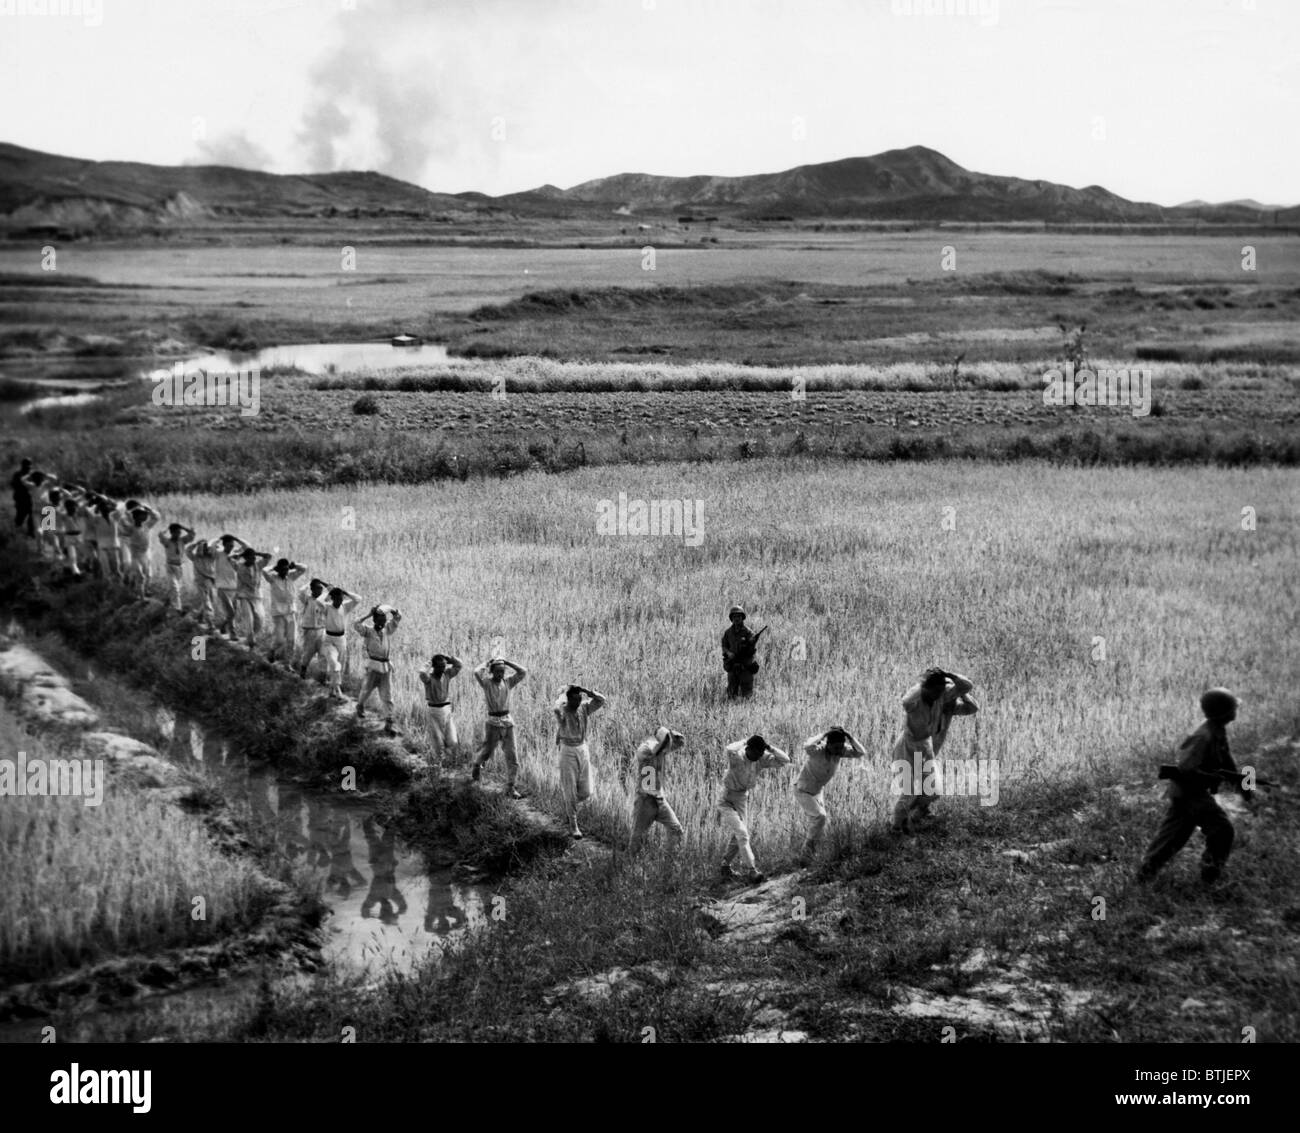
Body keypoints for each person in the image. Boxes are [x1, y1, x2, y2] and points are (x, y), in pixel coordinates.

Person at [1137, 688, 1250, 886]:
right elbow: (1186, 769)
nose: (1235, 711)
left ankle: (1143, 877)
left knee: (1172, 838)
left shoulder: (1217, 730)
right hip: (1190, 793)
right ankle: (1209, 877)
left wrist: (1240, 784)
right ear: (1223, 712)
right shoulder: (1203, 736)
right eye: (1233, 708)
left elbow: (1226, 761)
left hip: (1191, 794)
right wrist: (1211, 777)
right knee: (1222, 830)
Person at [890, 668, 979, 835]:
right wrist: (925, 683)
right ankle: (896, 827)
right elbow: (905, 701)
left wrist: (949, 675)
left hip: (926, 747)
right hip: (908, 747)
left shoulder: (942, 701)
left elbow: (967, 688)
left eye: (941, 691)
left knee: (934, 790)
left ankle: (910, 815)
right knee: (908, 790)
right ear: (926, 688)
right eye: (935, 690)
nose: (939, 694)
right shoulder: (916, 701)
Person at [718, 733, 790, 883]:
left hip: (742, 798)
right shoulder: (737, 757)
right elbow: (729, 748)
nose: (759, 756)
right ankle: (752, 870)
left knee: (740, 833)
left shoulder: (761, 759)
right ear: (748, 748)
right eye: (756, 752)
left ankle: (725, 866)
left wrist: (769, 748)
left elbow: (785, 760)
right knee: (742, 833)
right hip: (726, 798)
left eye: (761, 753)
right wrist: (745, 740)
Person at [794, 726, 869, 866]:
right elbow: (807, 746)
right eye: (836, 748)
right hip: (802, 790)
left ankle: (809, 855)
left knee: (819, 823)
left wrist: (850, 736)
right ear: (828, 744)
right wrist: (824, 734)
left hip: (817, 791)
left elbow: (861, 752)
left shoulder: (840, 751)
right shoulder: (817, 750)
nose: (839, 751)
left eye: (841, 747)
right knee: (820, 817)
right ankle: (805, 856)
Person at [552, 683, 607, 838]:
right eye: (574, 700)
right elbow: (556, 708)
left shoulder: (583, 708)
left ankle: (569, 809)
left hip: (582, 749)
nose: (577, 703)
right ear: (568, 700)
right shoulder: (562, 710)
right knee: (570, 788)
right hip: (567, 750)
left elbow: (601, 700)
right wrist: (564, 692)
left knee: (586, 791)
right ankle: (573, 825)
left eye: (579, 699)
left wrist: (586, 691)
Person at [470, 657, 528, 798]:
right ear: (492, 672)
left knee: (512, 757)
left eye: (502, 671)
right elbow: (476, 671)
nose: (500, 673)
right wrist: (488, 662)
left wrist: (506, 661)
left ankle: (510, 787)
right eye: (497, 671)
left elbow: (523, 671)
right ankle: (477, 765)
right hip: (493, 723)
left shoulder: (508, 682)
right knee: (487, 752)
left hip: (508, 722)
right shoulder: (486, 683)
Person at [628, 726, 687, 855]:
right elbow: (648, 751)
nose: (666, 746)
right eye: (665, 742)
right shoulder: (645, 749)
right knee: (638, 837)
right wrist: (664, 741)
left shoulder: (661, 750)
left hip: (660, 801)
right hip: (645, 801)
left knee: (676, 829)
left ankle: (668, 862)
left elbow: (681, 741)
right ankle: (628, 863)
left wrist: (672, 734)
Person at [354, 604, 403, 736]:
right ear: (374, 620)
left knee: (387, 695)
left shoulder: (387, 630)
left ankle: (389, 722)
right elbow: (356, 624)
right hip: (373, 666)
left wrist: (391, 609)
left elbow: (398, 617)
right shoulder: (368, 631)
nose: (382, 622)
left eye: (384, 619)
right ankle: (360, 705)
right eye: (379, 619)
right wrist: (369, 614)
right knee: (366, 690)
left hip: (385, 667)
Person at [417, 652, 464, 764]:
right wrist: (430, 661)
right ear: (434, 667)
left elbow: (459, 665)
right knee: (438, 742)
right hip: (433, 711)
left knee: (453, 741)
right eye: (439, 666)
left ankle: (450, 763)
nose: (442, 669)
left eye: (444, 666)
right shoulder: (429, 679)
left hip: (447, 710)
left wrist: (449, 658)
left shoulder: (447, 675)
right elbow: (422, 672)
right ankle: (440, 766)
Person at [317, 585, 361, 700]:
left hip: (341, 639)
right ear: (332, 598)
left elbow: (358, 599)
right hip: (329, 639)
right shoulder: (327, 608)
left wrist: (345, 591)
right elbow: (318, 601)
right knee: (334, 663)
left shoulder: (345, 606)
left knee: (338, 666)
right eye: (337, 599)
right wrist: (328, 592)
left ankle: (332, 689)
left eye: (341, 598)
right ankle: (338, 689)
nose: (339, 601)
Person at [263, 557, 307, 666]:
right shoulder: (272, 578)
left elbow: (304, 568)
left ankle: (288, 664)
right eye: (282, 569)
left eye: (286, 569)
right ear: (278, 569)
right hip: (278, 613)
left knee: (292, 640)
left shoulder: (291, 577)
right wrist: (274, 567)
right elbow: (264, 571)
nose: (285, 571)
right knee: (280, 640)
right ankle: (272, 651)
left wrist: (295, 564)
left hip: (291, 612)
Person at [231, 545, 273, 648]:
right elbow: (231, 558)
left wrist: (257, 553)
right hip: (244, 595)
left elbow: (268, 556)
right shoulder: (239, 566)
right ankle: (251, 641)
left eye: (254, 557)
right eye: (251, 557)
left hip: (257, 596)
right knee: (248, 619)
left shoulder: (258, 565)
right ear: (245, 558)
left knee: (260, 619)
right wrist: (241, 554)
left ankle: (251, 637)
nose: (253, 559)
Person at [721, 604, 761, 699]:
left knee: (747, 695)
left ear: (742, 618)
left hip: (745, 666)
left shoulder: (749, 633)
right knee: (731, 693)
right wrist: (729, 653)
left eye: (739, 616)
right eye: (734, 616)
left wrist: (751, 643)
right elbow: (724, 646)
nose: (737, 618)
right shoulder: (728, 633)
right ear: (731, 618)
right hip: (733, 665)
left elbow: (752, 651)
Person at [124, 503, 162, 598]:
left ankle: (143, 590)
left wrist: (149, 509)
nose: (145, 516)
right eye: (142, 514)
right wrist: (131, 512)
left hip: (146, 553)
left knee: (148, 575)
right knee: (140, 575)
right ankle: (141, 597)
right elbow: (125, 521)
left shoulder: (147, 526)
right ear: (136, 516)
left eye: (145, 514)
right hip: (135, 556)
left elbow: (157, 517)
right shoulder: (131, 528)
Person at [212, 534, 246, 638]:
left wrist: (237, 538)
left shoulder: (235, 553)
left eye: (232, 545)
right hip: (222, 587)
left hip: (234, 587)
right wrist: (219, 538)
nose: (230, 547)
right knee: (231, 612)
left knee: (233, 612)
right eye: (228, 545)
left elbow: (246, 547)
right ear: (224, 545)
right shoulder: (218, 554)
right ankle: (232, 632)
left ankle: (224, 627)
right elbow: (211, 546)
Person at [158, 521, 196, 612]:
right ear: (171, 533)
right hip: (170, 566)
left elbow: (192, 534)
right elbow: (160, 534)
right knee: (175, 588)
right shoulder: (167, 542)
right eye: (176, 532)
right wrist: (167, 528)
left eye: (179, 532)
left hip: (180, 567)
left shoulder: (182, 541)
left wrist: (183, 527)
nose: (178, 534)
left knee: (175, 586)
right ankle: (177, 608)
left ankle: (168, 599)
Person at [297, 578, 328, 678]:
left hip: (322, 630)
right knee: (308, 653)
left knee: (323, 654)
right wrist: (309, 582)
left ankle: (323, 677)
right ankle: (302, 673)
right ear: (312, 589)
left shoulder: (324, 601)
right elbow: (301, 591)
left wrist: (323, 582)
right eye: (317, 588)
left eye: (321, 588)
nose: (320, 590)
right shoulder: (307, 599)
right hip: (309, 630)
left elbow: (333, 590)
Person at [186, 539, 219, 627]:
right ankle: (210, 622)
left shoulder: (211, 557)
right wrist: (196, 543)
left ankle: (199, 616)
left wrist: (213, 544)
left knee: (211, 600)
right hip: (201, 581)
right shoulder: (196, 558)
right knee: (206, 601)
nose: (206, 549)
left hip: (211, 581)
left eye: (207, 548)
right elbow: (187, 550)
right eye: (204, 547)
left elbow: (217, 550)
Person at [11, 457, 35, 537]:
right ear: (22, 465)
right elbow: (14, 485)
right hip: (21, 500)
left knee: (32, 518)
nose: (28, 467)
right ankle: (15, 534)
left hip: (31, 500)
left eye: (29, 466)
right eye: (26, 466)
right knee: (19, 519)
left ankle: (31, 533)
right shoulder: (17, 474)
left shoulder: (32, 475)